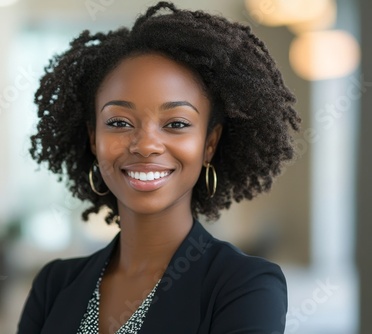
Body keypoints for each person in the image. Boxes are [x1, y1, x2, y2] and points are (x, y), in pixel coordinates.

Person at [18, 2, 300, 333]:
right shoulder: (54, 285)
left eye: (176, 123)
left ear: (209, 143)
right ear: (94, 138)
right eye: (120, 122)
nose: (146, 144)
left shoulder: (244, 286)